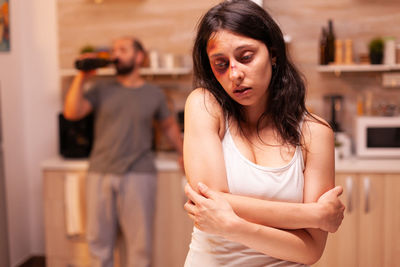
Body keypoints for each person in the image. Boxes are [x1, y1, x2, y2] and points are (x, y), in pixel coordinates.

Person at [182, 0, 345, 266]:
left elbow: (310, 250)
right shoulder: (203, 104)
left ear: (273, 53)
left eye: (246, 57)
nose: (234, 74)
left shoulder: (315, 132)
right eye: (221, 64)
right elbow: (211, 204)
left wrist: (233, 226)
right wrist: (314, 215)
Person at [63, 37, 183, 267]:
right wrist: (82, 77)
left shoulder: (154, 94)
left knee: (140, 246)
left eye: (123, 49)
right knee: (99, 245)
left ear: (139, 57)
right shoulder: (101, 89)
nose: (116, 54)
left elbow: (168, 126)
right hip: (100, 173)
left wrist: (183, 153)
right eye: (114, 49)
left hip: (139, 174)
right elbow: (72, 112)